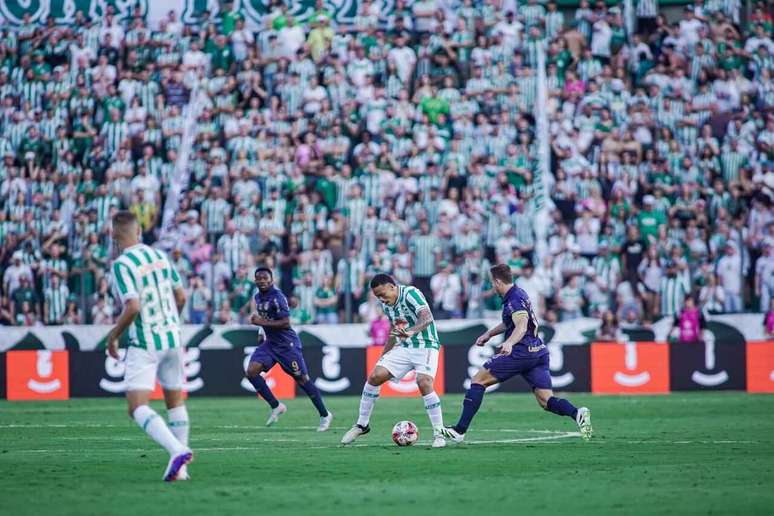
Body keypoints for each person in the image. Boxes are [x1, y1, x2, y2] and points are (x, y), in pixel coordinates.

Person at [441, 264, 592, 443]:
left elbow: (520, 325)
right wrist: (488, 334)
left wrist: (510, 343)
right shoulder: (518, 293)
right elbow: (509, 322)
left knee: (478, 381)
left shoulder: (513, 300)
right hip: (538, 352)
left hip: (521, 352)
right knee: (546, 401)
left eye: (492, 283)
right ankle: (578, 414)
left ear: (498, 282)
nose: (492, 287)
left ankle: (459, 431)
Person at [106, 211, 192, 482]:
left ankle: (177, 449)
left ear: (113, 235)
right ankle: (182, 471)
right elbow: (181, 296)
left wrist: (114, 335)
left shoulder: (122, 264)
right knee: (175, 401)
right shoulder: (159, 256)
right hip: (172, 338)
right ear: (139, 231)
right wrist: (171, 322)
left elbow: (132, 305)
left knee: (137, 407)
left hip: (145, 342)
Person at [341, 273, 446, 448]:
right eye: (377, 297)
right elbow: (394, 330)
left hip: (426, 344)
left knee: (423, 382)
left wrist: (411, 331)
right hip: (405, 346)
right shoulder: (387, 305)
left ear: (392, 286)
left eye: (383, 294)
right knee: (375, 376)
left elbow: (427, 317)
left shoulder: (410, 293)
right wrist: (384, 355)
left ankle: (439, 433)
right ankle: (362, 424)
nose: (381, 299)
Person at [245, 268, 333, 431]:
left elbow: (285, 322)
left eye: (265, 278)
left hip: (287, 345)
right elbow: (265, 319)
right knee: (251, 372)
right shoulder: (257, 297)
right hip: (270, 343)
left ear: (272, 279)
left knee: (302, 380)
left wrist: (260, 323)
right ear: (255, 280)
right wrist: (261, 331)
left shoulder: (278, 298)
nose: (262, 281)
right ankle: (276, 406)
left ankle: (325, 414)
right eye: (259, 278)